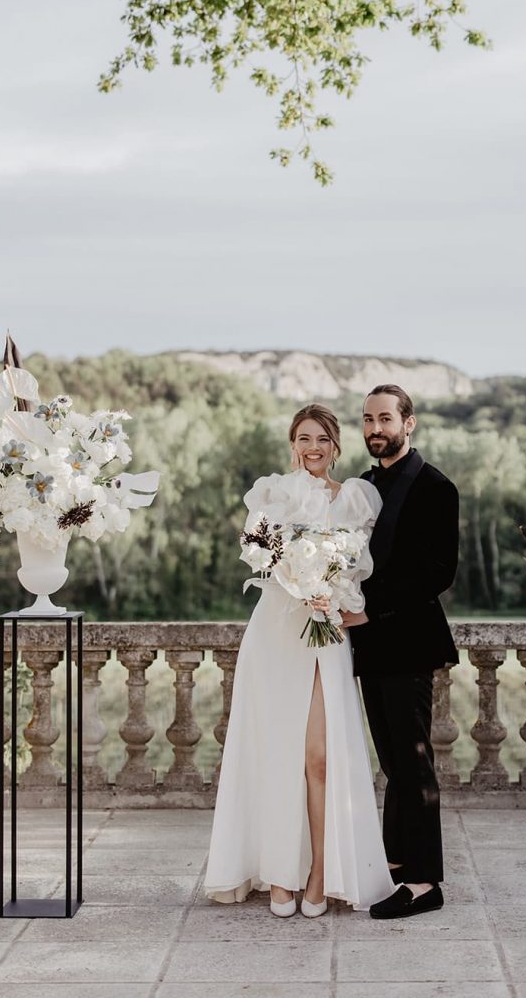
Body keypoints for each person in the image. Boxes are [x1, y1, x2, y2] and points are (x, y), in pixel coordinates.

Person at [204, 403, 395, 917]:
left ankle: (319, 872)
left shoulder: (355, 498)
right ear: (293, 444)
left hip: (325, 630)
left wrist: (331, 596)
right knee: (276, 753)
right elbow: (259, 557)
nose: (314, 448)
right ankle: (279, 873)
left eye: (323, 440)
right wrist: (298, 581)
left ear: (337, 446)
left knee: (318, 757)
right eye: (304, 438)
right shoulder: (272, 493)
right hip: (276, 630)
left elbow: (360, 570)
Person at [341, 384, 459, 920]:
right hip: (369, 645)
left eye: (385, 418)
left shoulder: (436, 487)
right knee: (390, 761)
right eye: (367, 419)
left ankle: (425, 881)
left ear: (408, 423)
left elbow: (438, 573)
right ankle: (394, 864)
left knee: (413, 762)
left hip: (409, 642)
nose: (374, 429)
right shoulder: (361, 486)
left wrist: (370, 607)